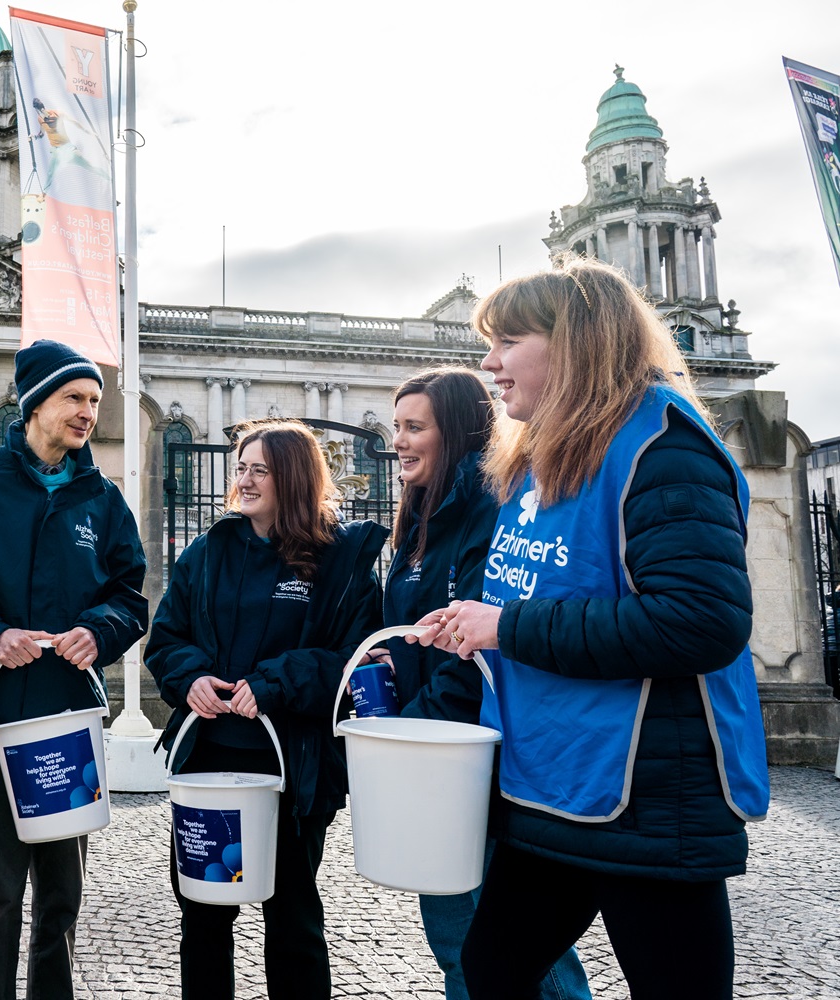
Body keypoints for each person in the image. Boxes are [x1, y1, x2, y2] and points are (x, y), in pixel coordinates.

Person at [415, 258, 770, 999]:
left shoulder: (664, 447)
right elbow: (532, 600)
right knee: (493, 968)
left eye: (508, 340)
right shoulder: (538, 460)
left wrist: (507, 628)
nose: (489, 363)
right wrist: (470, 631)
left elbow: (702, 622)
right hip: (553, 782)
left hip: (648, 795)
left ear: (576, 344)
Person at [0, 339, 148, 1000]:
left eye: (95, 401)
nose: (87, 413)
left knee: (63, 890)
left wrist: (96, 633)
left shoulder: (101, 499)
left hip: (68, 716)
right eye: (75, 397)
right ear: (35, 401)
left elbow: (131, 597)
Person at [358, 367, 591, 1000]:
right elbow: (416, 634)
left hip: (470, 756)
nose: (397, 442)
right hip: (431, 749)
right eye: (396, 427)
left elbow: (477, 653)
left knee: (516, 952)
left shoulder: (492, 512)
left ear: (457, 432)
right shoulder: (421, 517)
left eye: (414, 428)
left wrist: (411, 727)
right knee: (457, 942)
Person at [145, 421, 387, 1000]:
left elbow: (356, 660)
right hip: (209, 766)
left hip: (293, 770)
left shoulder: (341, 560)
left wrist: (275, 683)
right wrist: (191, 678)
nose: (244, 480)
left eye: (260, 469)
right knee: (205, 917)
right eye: (240, 467)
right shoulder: (209, 550)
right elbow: (166, 639)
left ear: (295, 478)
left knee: (294, 922)